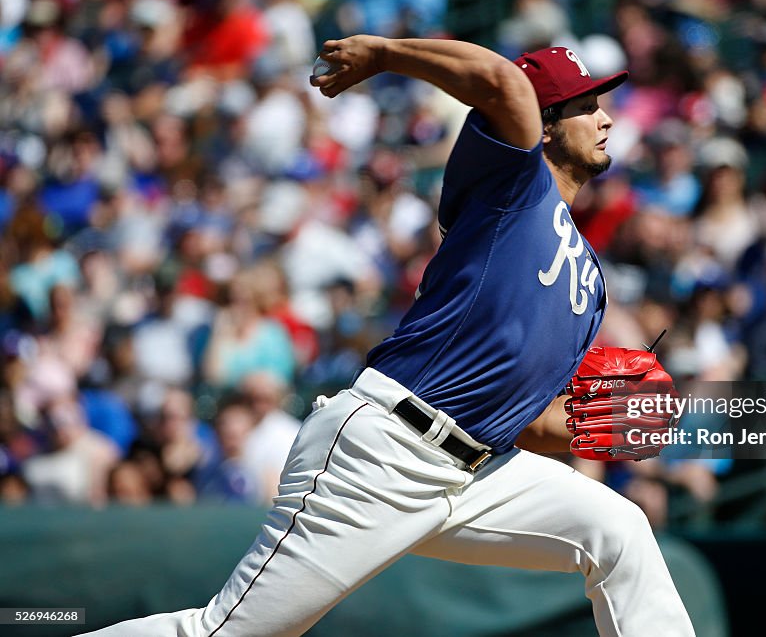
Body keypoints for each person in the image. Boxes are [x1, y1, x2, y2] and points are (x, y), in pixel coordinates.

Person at [79, 36, 695, 636]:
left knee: (618, 529)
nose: (607, 118)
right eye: (588, 106)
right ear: (549, 120)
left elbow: (529, 423)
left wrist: (606, 425)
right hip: (386, 447)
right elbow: (503, 82)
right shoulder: (513, 184)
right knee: (229, 632)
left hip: (481, 472)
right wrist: (382, 54)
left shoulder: (591, 283)